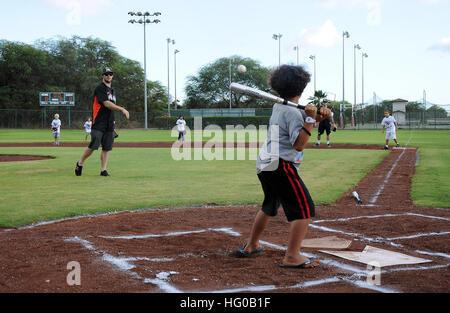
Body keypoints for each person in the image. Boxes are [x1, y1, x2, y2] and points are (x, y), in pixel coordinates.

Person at [236, 65, 331, 269]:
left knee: (270, 205)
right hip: (281, 164)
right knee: (304, 208)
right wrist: (309, 119)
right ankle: (292, 256)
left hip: (266, 162)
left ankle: (252, 245)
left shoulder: (280, 106)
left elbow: (303, 126)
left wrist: (315, 118)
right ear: (302, 87)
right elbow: (299, 144)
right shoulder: (294, 112)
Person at [75, 67, 129, 177]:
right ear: (102, 76)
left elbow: (111, 107)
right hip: (99, 122)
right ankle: (80, 163)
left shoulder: (113, 90)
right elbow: (106, 104)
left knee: (106, 147)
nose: (109, 76)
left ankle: (103, 170)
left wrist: (113, 124)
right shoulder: (100, 88)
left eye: (110, 74)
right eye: (106, 74)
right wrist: (122, 109)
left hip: (109, 123)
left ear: (112, 76)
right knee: (93, 145)